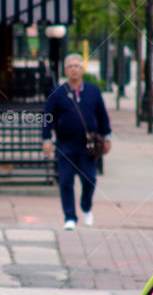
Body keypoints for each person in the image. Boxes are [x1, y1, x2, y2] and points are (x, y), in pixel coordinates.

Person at [42, 53, 112, 230]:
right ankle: (70, 217)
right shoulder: (58, 92)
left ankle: (86, 207)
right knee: (65, 181)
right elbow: (47, 117)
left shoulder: (93, 91)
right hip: (65, 144)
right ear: (65, 70)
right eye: (71, 66)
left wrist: (107, 136)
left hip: (87, 146)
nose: (74, 69)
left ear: (82, 69)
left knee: (89, 179)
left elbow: (102, 115)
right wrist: (46, 138)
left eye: (77, 66)